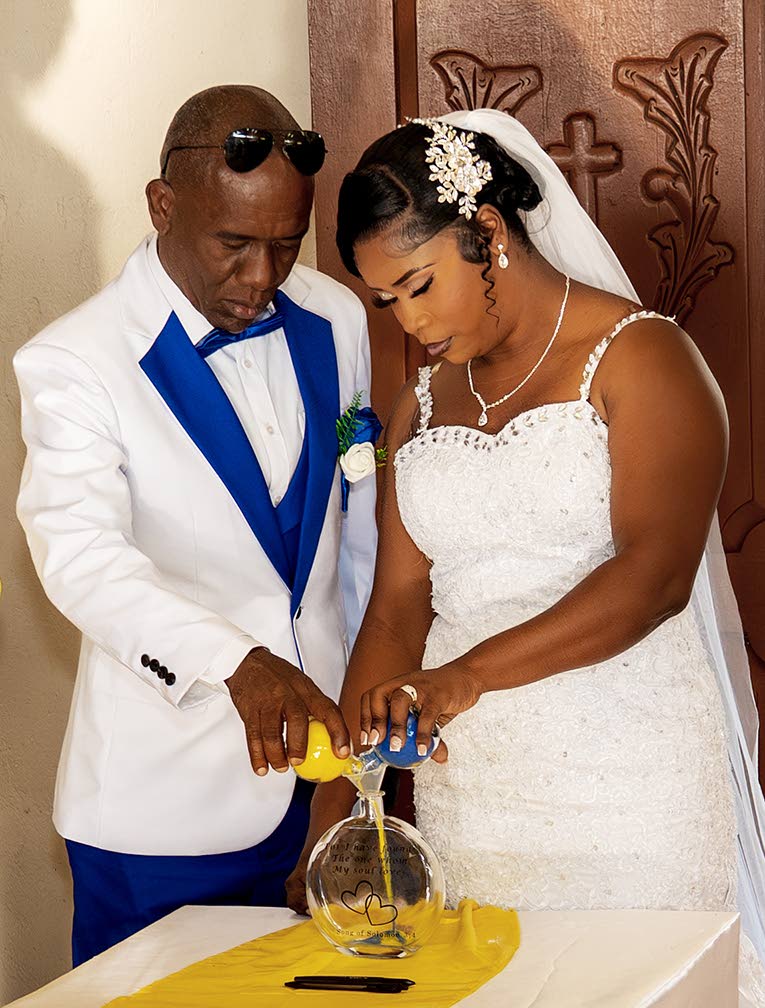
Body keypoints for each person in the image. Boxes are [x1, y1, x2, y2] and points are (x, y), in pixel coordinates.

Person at [286, 110, 765, 1005]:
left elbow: (654, 579)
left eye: (421, 285)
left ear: (488, 235)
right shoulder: (418, 404)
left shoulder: (642, 357)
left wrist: (462, 679)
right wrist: (341, 808)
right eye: (387, 302)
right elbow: (395, 611)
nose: (410, 321)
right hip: (478, 797)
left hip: (632, 787)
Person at [14, 85, 377, 965]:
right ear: (162, 205)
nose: (261, 278)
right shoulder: (74, 360)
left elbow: (359, 533)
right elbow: (82, 559)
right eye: (234, 245)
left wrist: (367, 758)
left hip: (325, 792)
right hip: (160, 810)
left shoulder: (338, 317)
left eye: (286, 246)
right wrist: (235, 663)